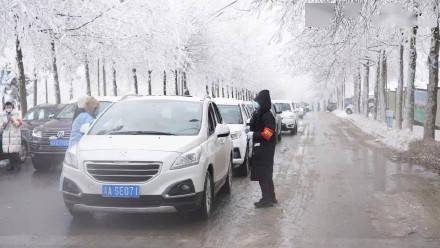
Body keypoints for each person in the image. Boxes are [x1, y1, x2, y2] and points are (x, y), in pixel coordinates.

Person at [248, 90, 277, 208]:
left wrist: (254, 135)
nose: (256, 103)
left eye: (258, 101)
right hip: (262, 149)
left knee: (263, 175)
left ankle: (266, 199)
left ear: (263, 102)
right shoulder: (260, 113)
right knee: (266, 175)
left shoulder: (267, 116)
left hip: (265, 150)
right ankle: (271, 197)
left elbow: (268, 134)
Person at [1, 102, 23, 170]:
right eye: (7, 106)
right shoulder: (2, 115)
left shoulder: (16, 114)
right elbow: (1, 126)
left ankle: (18, 165)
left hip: (14, 135)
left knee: (14, 152)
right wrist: (3, 124)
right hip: (6, 136)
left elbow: (19, 123)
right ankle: (12, 166)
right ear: (5, 107)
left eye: (9, 106)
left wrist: (13, 120)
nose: (8, 108)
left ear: (12, 107)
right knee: (9, 153)